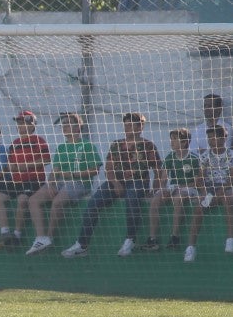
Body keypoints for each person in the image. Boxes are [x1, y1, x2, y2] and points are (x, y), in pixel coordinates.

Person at [63, 111, 161, 258]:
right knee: (93, 203)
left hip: (137, 181)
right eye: (126, 124)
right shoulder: (116, 144)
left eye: (132, 124)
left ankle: (130, 240)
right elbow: (108, 168)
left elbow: (158, 169)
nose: (127, 127)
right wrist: (115, 183)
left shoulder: (148, 146)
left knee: (132, 199)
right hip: (115, 182)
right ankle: (82, 245)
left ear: (141, 127)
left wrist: (155, 188)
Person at [25, 112, 101, 254]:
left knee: (57, 202)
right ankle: (40, 238)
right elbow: (55, 170)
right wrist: (52, 183)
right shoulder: (61, 147)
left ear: (78, 127)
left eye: (68, 124)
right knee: (33, 200)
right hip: (61, 182)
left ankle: (49, 237)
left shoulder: (87, 145)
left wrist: (73, 174)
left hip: (79, 182)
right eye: (63, 124)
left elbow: (95, 169)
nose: (64, 127)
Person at [0, 111, 51, 248]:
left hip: (33, 181)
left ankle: (17, 234)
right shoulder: (14, 143)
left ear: (32, 125)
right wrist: (12, 167)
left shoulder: (39, 140)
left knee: (22, 200)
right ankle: (5, 232)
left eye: (22, 123)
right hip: (16, 182)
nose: (19, 126)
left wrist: (25, 166)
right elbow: (9, 164)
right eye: (18, 123)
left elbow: (46, 160)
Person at [141, 128, 201, 255]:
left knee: (178, 198)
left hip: (190, 188)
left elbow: (198, 181)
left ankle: (175, 237)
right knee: (156, 199)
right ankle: (152, 239)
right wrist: (160, 189)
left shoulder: (194, 158)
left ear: (184, 142)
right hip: (174, 187)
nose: (171, 142)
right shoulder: (170, 157)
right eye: (171, 139)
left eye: (175, 139)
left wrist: (182, 186)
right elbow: (164, 178)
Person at [191, 123, 233, 261]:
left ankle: (230, 239)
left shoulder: (230, 155)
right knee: (198, 207)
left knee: (228, 200)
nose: (210, 140)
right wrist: (204, 193)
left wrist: (218, 193)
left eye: (214, 137)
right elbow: (199, 179)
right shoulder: (205, 156)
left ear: (223, 138)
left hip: (227, 187)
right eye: (209, 138)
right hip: (210, 188)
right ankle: (191, 247)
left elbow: (231, 179)